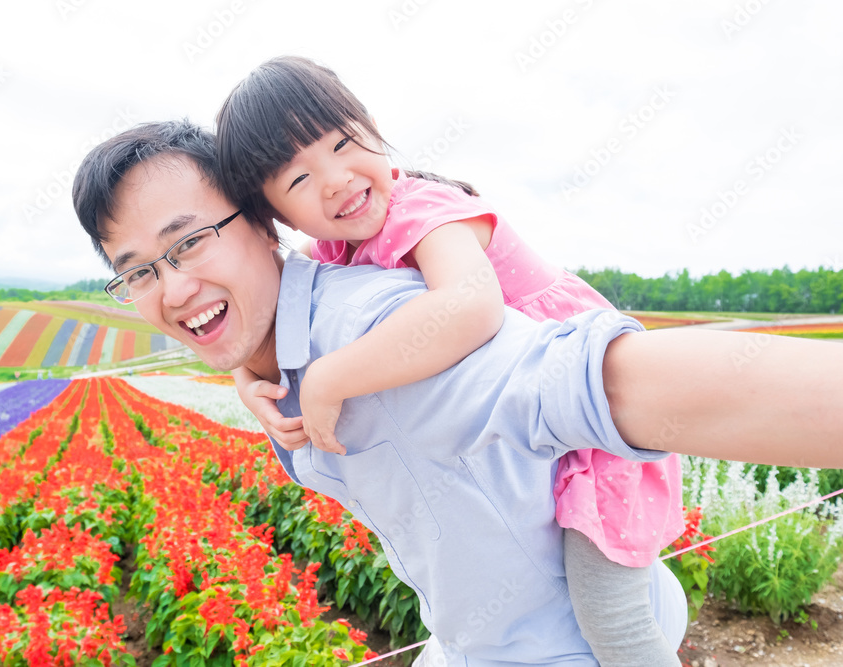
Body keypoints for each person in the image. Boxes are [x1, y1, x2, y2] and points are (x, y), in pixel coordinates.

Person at [72, 120, 843, 666]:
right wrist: (247, 373)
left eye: (189, 242)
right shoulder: (285, 352)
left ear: (264, 225)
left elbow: (594, 380)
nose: (174, 287)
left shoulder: (380, 334)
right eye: (139, 270)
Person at [214, 56, 684, 664]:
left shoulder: (424, 211)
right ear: (273, 213)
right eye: (298, 180)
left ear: (374, 128)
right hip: (525, 437)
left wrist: (333, 376)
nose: (333, 179)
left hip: (591, 423)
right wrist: (244, 379)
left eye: (342, 142)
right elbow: (265, 313)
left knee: (610, 615)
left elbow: (470, 307)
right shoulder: (330, 244)